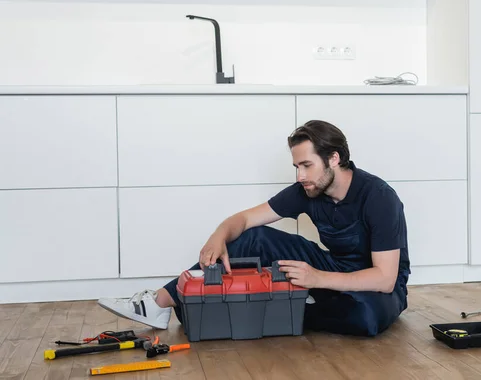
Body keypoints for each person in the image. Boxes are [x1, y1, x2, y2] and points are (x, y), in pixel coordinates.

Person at [98, 120, 410, 337]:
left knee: (366, 319)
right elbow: (245, 220)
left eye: (306, 165)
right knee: (255, 237)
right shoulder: (308, 188)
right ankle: (159, 303)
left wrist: (316, 279)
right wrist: (218, 236)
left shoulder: (378, 197)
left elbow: (384, 278)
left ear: (334, 159)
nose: (300, 175)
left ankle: (284, 307)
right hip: (334, 268)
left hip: (379, 287)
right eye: (296, 167)